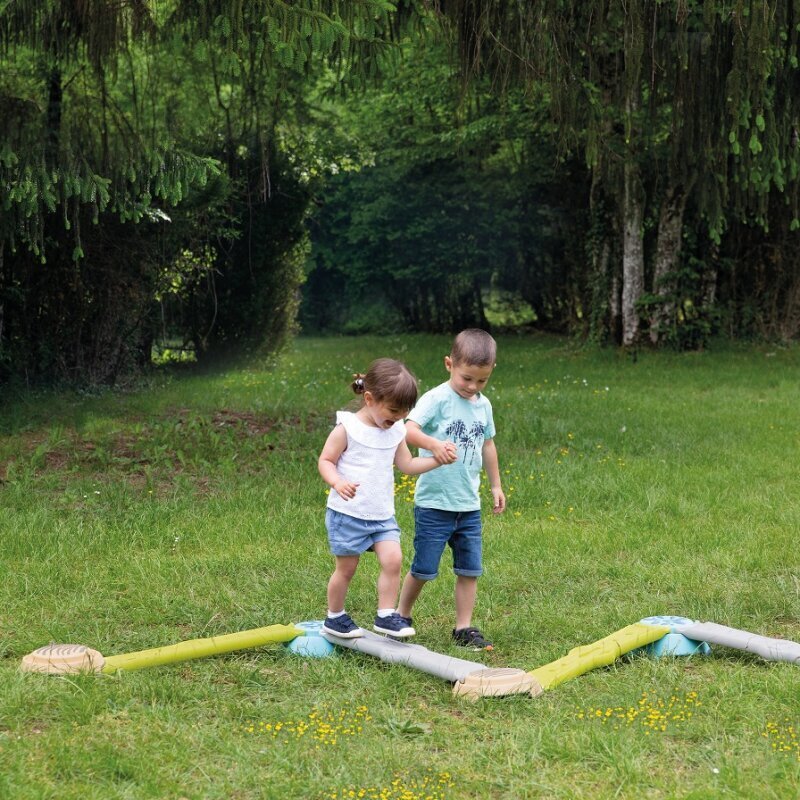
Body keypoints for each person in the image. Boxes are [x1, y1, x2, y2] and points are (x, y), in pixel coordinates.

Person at [318, 358, 456, 640]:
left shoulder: (395, 431)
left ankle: (385, 615)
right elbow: (326, 460)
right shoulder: (347, 428)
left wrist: (436, 461)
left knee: (393, 559)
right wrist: (337, 481)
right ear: (369, 399)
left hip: (381, 515)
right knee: (346, 569)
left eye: (405, 411)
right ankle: (334, 617)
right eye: (393, 410)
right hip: (348, 514)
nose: (399, 416)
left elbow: (406, 465)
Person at [397, 329, 506, 651]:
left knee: (469, 568)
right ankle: (401, 616)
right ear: (449, 364)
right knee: (424, 568)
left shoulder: (483, 405)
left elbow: (488, 444)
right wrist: (433, 445)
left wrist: (496, 485)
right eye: (466, 378)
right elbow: (408, 429)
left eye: (481, 380)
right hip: (434, 503)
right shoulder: (436, 399)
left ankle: (464, 627)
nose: (473, 387)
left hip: (468, 505)